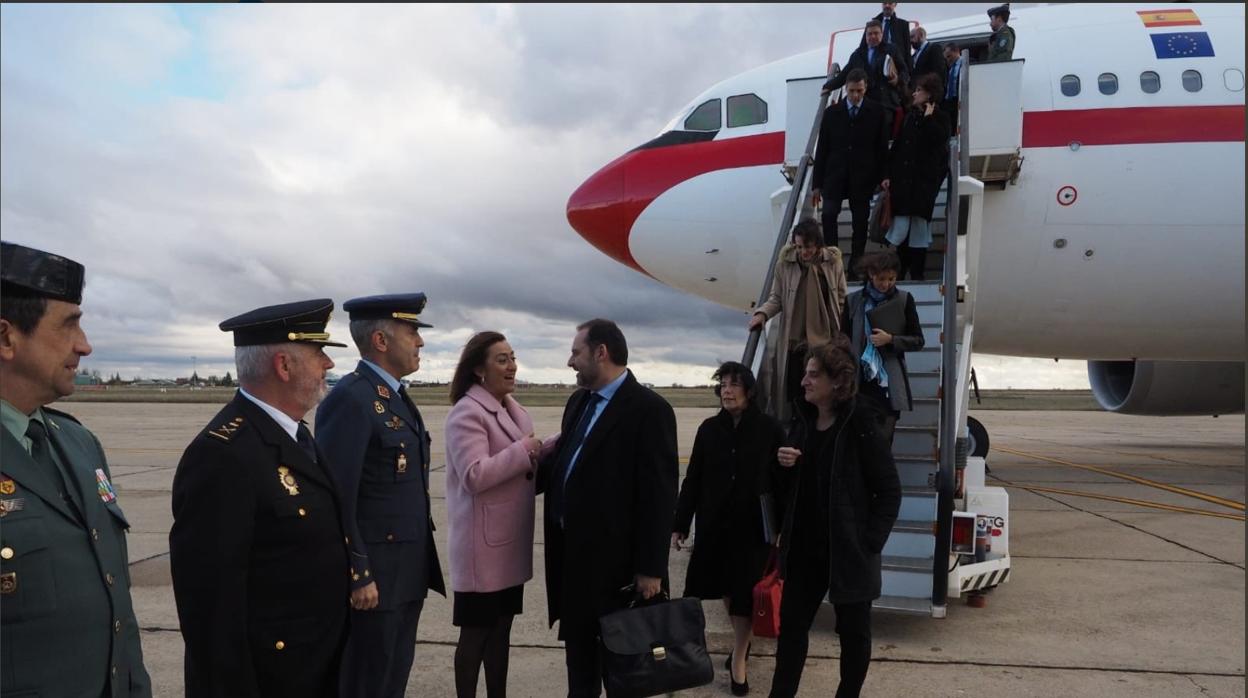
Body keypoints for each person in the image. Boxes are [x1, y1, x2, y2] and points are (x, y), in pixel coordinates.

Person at [170, 298, 354, 698]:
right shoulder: (223, 455)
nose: (329, 364)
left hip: (314, 666)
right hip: (270, 678)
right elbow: (211, 612)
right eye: (318, 353)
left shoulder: (297, 436)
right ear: (283, 366)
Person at [0, 241, 152, 697]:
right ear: (6, 338)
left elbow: (117, 613)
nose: (84, 346)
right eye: (69, 325)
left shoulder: (79, 443)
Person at [315, 293, 447, 698]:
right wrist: (359, 574)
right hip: (375, 582)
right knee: (366, 682)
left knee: (392, 678)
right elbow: (339, 497)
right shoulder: (351, 400)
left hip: (405, 573)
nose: (420, 342)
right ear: (381, 341)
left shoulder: (394, 396)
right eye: (412, 333)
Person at [537, 319, 678, 697]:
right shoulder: (578, 402)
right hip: (575, 566)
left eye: (575, 353)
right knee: (579, 674)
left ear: (601, 352)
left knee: (624, 677)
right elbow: (565, 463)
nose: (570, 362)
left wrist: (651, 569)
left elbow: (659, 495)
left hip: (620, 573)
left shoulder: (649, 409)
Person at [767, 339, 901, 698]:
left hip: (849, 552)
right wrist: (784, 466)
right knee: (792, 633)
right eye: (806, 374)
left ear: (836, 383)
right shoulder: (802, 422)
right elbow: (791, 488)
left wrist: (869, 542)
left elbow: (889, 490)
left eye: (813, 375)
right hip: (805, 553)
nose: (804, 382)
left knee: (854, 637)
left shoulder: (861, 424)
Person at [444, 331, 557, 698]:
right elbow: (475, 474)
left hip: (506, 545)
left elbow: (526, 458)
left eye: (512, 357)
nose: (512, 366)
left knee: (501, 630)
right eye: (501, 359)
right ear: (479, 369)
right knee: (475, 635)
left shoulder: (513, 408)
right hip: (482, 548)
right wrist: (526, 449)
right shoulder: (467, 413)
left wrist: (560, 441)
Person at [672, 362, 784, 696]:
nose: (726, 390)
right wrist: (680, 524)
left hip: (752, 527)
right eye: (722, 384)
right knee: (724, 587)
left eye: (734, 384)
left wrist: (780, 525)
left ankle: (738, 659)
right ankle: (742, 642)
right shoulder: (709, 429)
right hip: (716, 524)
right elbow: (693, 479)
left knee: (745, 592)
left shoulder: (769, 429)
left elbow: (781, 481)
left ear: (749, 390)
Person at [748, 219, 848, 422]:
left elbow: (841, 297)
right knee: (795, 392)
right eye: (799, 246)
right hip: (795, 340)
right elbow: (776, 298)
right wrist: (762, 313)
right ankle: (798, 432)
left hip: (824, 340)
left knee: (821, 393)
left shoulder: (832, 261)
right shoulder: (785, 264)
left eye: (808, 247)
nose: (803, 252)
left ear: (818, 244)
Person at [812, 69, 890, 279]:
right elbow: (822, 150)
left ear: (865, 89)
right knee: (828, 214)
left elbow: (882, 148)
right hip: (834, 175)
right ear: (846, 88)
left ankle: (856, 267)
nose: (856, 96)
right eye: (852, 91)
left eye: (860, 91)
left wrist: (883, 175)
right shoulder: (831, 114)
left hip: (863, 176)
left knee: (860, 222)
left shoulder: (876, 112)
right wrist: (816, 183)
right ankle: (832, 261)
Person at [842, 251, 925, 445]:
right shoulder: (853, 301)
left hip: (888, 381)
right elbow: (842, 339)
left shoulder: (904, 299)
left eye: (891, 279)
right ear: (870, 274)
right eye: (881, 279)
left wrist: (891, 339)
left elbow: (918, 340)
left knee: (884, 443)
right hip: (859, 381)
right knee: (858, 441)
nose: (886, 284)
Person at [882, 73, 952, 281]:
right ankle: (898, 271)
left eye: (919, 90)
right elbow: (899, 149)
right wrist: (888, 175)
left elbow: (938, 142)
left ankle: (917, 274)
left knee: (919, 233)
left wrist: (929, 120)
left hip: (922, 187)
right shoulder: (911, 117)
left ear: (929, 94)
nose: (915, 93)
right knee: (901, 230)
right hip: (904, 185)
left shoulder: (941, 118)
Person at [824, 21, 910, 125]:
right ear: (865, 36)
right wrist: (828, 86)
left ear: (882, 34)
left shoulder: (892, 50)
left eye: (876, 33)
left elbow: (905, 71)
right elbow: (844, 75)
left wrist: (898, 80)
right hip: (864, 102)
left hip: (885, 103)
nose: (873, 36)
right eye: (869, 34)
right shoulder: (857, 54)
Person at [861, 3, 912, 71]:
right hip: (874, 66)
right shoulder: (871, 24)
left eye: (890, 3)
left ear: (895, 4)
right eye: (885, 3)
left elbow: (907, 50)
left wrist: (909, 72)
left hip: (896, 67)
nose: (887, 5)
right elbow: (863, 45)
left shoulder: (903, 25)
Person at [910, 27, 946, 96]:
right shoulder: (914, 56)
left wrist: (931, 91)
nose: (910, 40)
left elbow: (938, 71)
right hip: (916, 93)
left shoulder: (934, 48)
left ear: (921, 35)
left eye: (912, 37)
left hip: (929, 92)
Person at [941, 42, 963, 133]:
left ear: (957, 52)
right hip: (948, 102)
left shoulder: (966, 63)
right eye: (946, 58)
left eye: (949, 56)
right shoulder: (948, 68)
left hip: (958, 99)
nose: (947, 60)